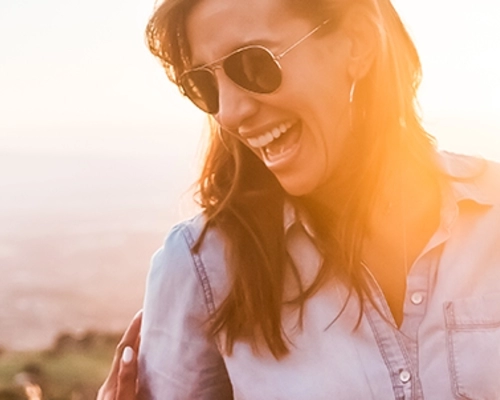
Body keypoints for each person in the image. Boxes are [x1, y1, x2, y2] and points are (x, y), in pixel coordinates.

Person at [98, 0, 500, 398]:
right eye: (204, 85)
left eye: (252, 64)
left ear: (358, 43)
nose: (229, 113)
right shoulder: (203, 268)